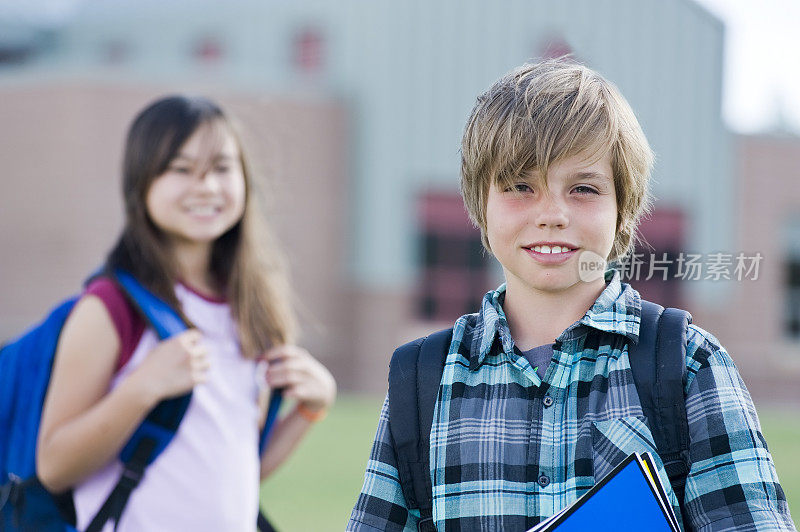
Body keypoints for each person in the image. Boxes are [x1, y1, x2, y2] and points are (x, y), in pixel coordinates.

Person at [348, 60, 794, 531]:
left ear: (623, 208)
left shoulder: (687, 364)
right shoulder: (423, 380)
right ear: (480, 202)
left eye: (583, 188)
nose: (552, 214)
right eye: (520, 186)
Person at [36, 95, 336, 531]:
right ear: (142, 183)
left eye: (221, 168)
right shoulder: (111, 307)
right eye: (181, 169)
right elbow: (54, 466)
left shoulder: (250, 308)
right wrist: (141, 388)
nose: (207, 187)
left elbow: (235, 472)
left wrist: (312, 407)